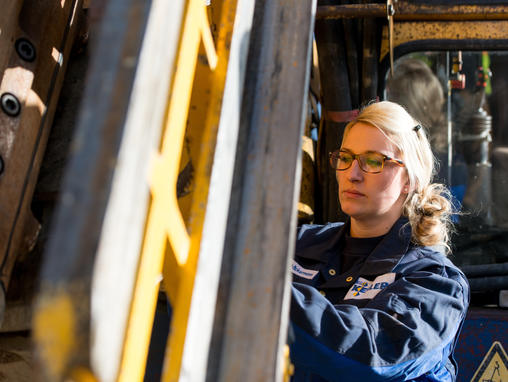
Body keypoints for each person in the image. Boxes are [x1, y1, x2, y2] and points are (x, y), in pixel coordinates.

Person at [289, 101, 470, 381]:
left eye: (373, 161)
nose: (353, 174)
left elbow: (371, 353)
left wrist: (270, 293)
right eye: (346, 157)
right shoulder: (296, 246)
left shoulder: (435, 282)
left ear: (409, 180)